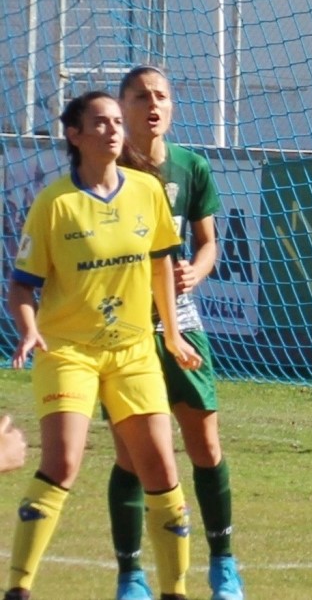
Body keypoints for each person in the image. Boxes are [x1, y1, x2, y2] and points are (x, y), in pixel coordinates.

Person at [4, 91, 200, 600]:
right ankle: (19, 589)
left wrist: (172, 334)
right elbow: (21, 286)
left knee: (160, 468)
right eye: (100, 122)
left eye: (117, 121)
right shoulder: (54, 204)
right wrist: (30, 328)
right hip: (68, 350)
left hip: (133, 350)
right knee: (63, 462)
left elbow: (161, 262)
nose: (114, 130)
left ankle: (175, 592)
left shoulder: (147, 190)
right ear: (75, 135)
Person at [109, 66, 245, 600]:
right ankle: (131, 575)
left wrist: (197, 270)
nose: (152, 104)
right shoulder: (106, 169)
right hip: (123, 326)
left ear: (172, 106)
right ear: (120, 106)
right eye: (140, 95)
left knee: (205, 446)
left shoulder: (190, 166)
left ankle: (224, 564)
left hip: (180, 322)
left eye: (161, 95)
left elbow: (207, 243)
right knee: (130, 454)